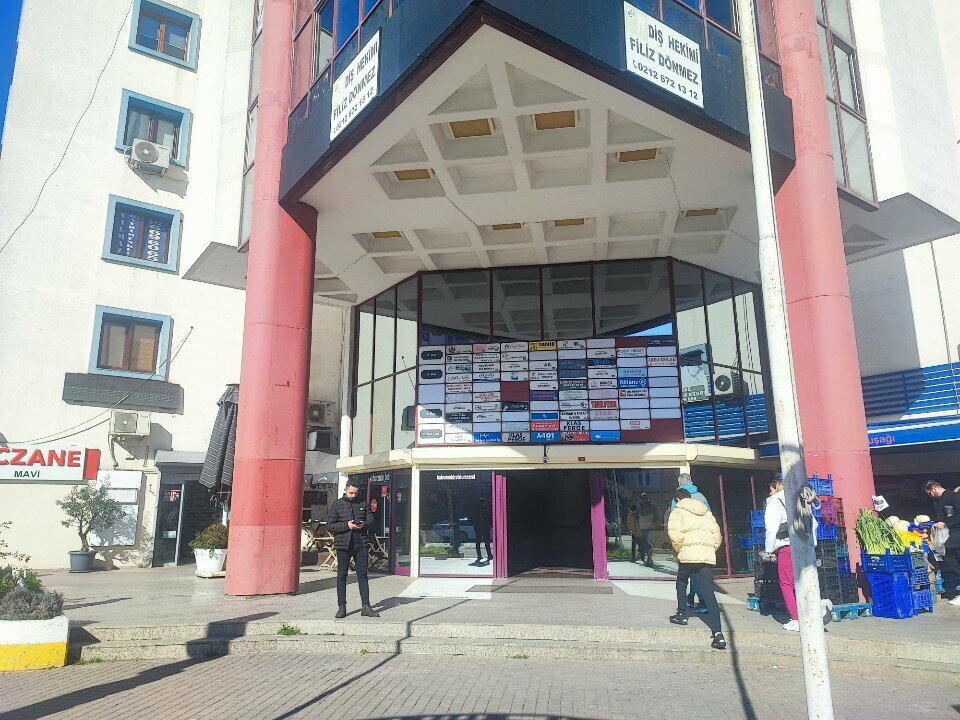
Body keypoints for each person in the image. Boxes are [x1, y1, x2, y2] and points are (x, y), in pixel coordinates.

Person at [666, 488, 726, 650]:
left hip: (687, 554)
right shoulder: (705, 512)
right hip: (705, 556)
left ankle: (682, 614)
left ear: (677, 499)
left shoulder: (677, 512)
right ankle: (718, 633)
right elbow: (717, 535)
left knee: (681, 581)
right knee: (709, 593)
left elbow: (675, 536)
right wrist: (709, 549)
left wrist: (680, 550)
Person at [326, 478, 379, 619]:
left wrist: (363, 525)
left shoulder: (363, 503)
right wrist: (346, 525)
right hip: (343, 544)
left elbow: (372, 521)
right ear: (345, 490)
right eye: (350, 493)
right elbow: (329, 526)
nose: (353, 495)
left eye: (355, 493)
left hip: (360, 543)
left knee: (363, 575)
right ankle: (341, 607)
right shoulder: (337, 504)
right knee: (341, 576)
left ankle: (366, 606)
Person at [670, 473, 710, 611]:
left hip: (687, 542)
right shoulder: (702, 497)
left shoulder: (678, 498)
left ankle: (702, 601)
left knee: (688, 573)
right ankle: (691, 598)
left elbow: (674, 521)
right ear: (692, 482)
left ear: (679, 483)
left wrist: (675, 545)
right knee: (697, 570)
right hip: (703, 541)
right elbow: (709, 517)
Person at [924, 480, 960, 606]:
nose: (930, 497)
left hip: (956, 536)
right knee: (952, 564)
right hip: (948, 538)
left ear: (934, 489)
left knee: (956, 564)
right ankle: (955, 593)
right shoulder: (940, 501)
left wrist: (945, 523)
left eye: (929, 494)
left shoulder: (953, 497)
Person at [636, 494, 656, 567]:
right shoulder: (638, 507)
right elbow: (637, 517)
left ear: (647, 498)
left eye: (645, 498)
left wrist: (653, 523)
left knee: (649, 545)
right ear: (641, 499)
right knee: (645, 545)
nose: (644, 500)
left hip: (650, 528)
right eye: (642, 498)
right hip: (643, 528)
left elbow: (656, 516)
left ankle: (649, 559)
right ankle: (649, 559)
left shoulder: (651, 506)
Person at [474, 497, 493, 565]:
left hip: (478, 528)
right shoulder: (484, 509)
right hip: (484, 528)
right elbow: (487, 517)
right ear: (483, 503)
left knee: (478, 542)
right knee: (487, 542)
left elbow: (473, 517)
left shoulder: (476, 509)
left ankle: (479, 555)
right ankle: (489, 555)